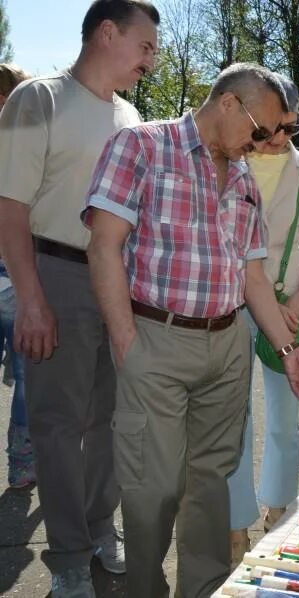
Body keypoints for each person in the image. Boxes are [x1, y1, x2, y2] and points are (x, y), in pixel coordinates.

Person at [82, 62, 299, 598]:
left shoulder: (242, 179)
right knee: (152, 487)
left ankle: (205, 588)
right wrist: (127, 342)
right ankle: (144, 589)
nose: (264, 145)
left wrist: (288, 349)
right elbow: (103, 247)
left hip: (228, 345)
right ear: (229, 104)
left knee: (212, 484)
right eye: (260, 131)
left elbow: (253, 276)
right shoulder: (141, 146)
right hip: (156, 340)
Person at [0, 2, 159, 595]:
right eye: (144, 46)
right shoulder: (35, 99)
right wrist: (32, 300)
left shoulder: (131, 115)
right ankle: (67, 555)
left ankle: (98, 529)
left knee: (115, 418)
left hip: (116, 279)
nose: (151, 59)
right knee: (60, 424)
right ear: (107, 33)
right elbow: (10, 208)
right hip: (55, 273)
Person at [226, 75, 299, 566]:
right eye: (274, 127)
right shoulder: (229, 159)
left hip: (285, 303)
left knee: (287, 419)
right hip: (228, 304)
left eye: (292, 127)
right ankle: (235, 524)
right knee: (235, 420)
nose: (282, 137)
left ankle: (279, 510)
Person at [0, 63, 33, 489]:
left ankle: (24, 460)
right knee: (29, 378)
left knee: (29, 378)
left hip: (22, 280)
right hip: (17, 276)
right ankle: (24, 462)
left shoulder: (28, 148)